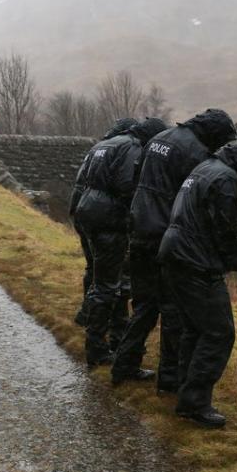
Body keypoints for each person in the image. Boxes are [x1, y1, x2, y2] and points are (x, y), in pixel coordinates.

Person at [111, 109, 237, 391]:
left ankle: (123, 366)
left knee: (143, 305)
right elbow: (196, 198)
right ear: (213, 133)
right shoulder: (195, 152)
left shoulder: (160, 137)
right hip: (166, 233)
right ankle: (169, 381)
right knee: (173, 311)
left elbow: (134, 180)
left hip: (140, 227)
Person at [158, 139, 237, 428]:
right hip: (196, 261)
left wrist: (235, 215)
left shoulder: (206, 168)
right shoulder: (225, 178)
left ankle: (187, 394)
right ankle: (195, 403)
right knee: (219, 332)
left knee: (195, 330)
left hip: (175, 252)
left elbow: (207, 213)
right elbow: (221, 230)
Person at [73, 118, 168, 367]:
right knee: (107, 286)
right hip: (109, 219)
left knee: (104, 279)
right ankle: (97, 348)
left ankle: (112, 338)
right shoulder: (133, 148)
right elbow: (126, 184)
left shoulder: (108, 143)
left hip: (89, 212)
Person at [69, 118, 138, 328]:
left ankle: (88, 313)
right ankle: (100, 323)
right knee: (110, 273)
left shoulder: (99, 148)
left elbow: (83, 182)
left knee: (95, 268)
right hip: (102, 214)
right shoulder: (124, 149)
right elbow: (124, 185)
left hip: (83, 209)